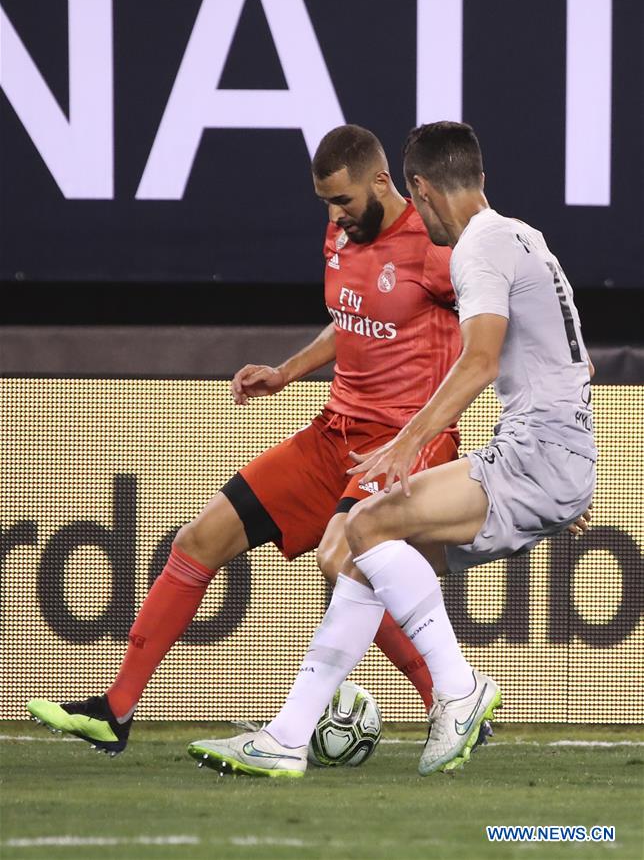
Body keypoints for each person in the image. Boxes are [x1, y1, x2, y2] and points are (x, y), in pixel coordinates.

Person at [27, 125, 464, 754]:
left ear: (380, 181)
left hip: (405, 443)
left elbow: (489, 335)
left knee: (350, 562)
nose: (335, 216)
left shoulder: (435, 245)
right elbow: (353, 320)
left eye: (343, 201)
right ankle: (115, 710)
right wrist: (287, 370)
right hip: (333, 432)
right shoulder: (343, 233)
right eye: (326, 205)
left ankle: (449, 702)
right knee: (199, 538)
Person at [189, 121, 596, 778]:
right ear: (481, 179)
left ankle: (458, 687)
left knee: (365, 525)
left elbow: (479, 362)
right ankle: (287, 735)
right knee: (361, 556)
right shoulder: (528, 238)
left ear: (420, 188)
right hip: (550, 457)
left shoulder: (475, 250)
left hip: (537, 457)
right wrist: (567, 470)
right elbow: (577, 365)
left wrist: (409, 443)